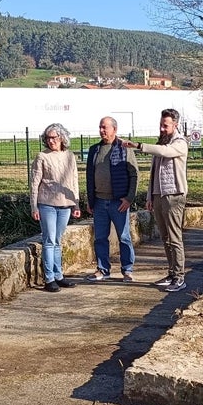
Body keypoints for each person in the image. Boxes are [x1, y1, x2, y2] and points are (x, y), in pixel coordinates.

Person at [120, 108, 189, 292]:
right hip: (159, 196)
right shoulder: (163, 142)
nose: (162, 128)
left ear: (175, 125)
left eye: (165, 125)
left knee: (175, 238)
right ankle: (172, 273)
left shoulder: (180, 143)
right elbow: (154, 175)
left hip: (174, 195)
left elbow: (164, 152)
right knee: (165, 238)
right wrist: (150, 196)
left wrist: (138, 145)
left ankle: (180, 277)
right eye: (161, 124)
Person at [85, 116, 139, 282]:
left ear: (114, 130)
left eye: (105, 128)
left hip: (119, 202)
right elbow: (89, 176)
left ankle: (127, 270)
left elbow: (134, 174)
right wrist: (90, 199)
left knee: (124, 237)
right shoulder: (94, 150)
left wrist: (129, 198)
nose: (102, 131)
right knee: (100, 238)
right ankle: (103, 270)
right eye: (100, 127)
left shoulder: (124, 149)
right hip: (99, 202)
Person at [30, 123, 82, 293]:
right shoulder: (42, 157)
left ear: (62, 138)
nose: (51, 141)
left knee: (58, 241)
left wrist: (76, 203)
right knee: (49, 240)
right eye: (48, 138)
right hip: (47, 204)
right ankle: (49, 278)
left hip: (65, 204)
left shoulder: (69, 156)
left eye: (54, 137)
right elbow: (34, 183)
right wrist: (34, 206)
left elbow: (74, 180)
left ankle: (59, 276)